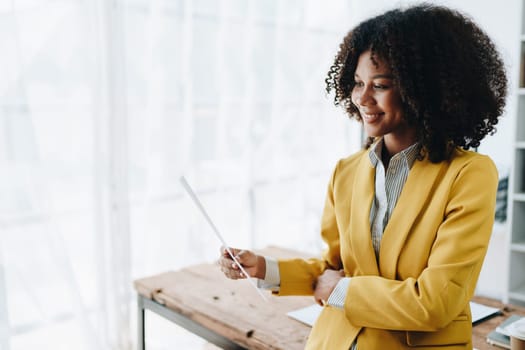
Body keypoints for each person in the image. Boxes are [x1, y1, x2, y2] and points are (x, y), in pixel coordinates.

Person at [219, 4, 507, 349]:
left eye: (380, 85)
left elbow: (435, 303)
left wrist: (341, 290)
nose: (363, 98)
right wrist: (264, 268)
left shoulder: (469, 175)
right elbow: (334, 269)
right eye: (357, 84)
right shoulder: (347, 171)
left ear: (423, 89)